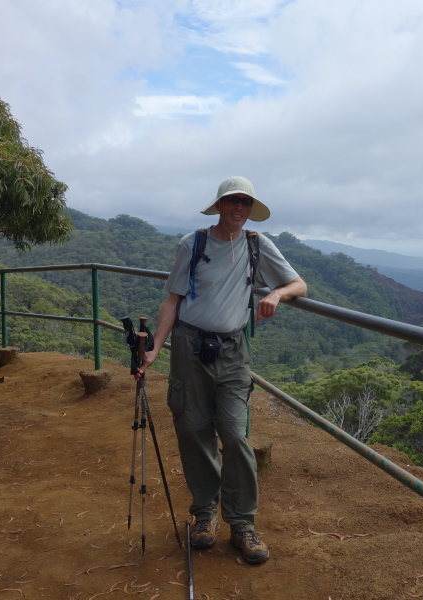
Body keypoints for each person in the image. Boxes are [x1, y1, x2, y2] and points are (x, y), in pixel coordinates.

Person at [135, 176, 307, 565]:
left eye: (246, 203)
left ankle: (243, 525)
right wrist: (154, 349)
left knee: (234, 434)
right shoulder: (192, 244)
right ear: (220, 205)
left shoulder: (257, 246)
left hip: (233, 351)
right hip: (189, 347)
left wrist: (276, 293)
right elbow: (173, 301)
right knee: (194, 432)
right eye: (234, 201)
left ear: (250, 209)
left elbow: (300, 284)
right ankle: (204, 516)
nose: (239, 209)